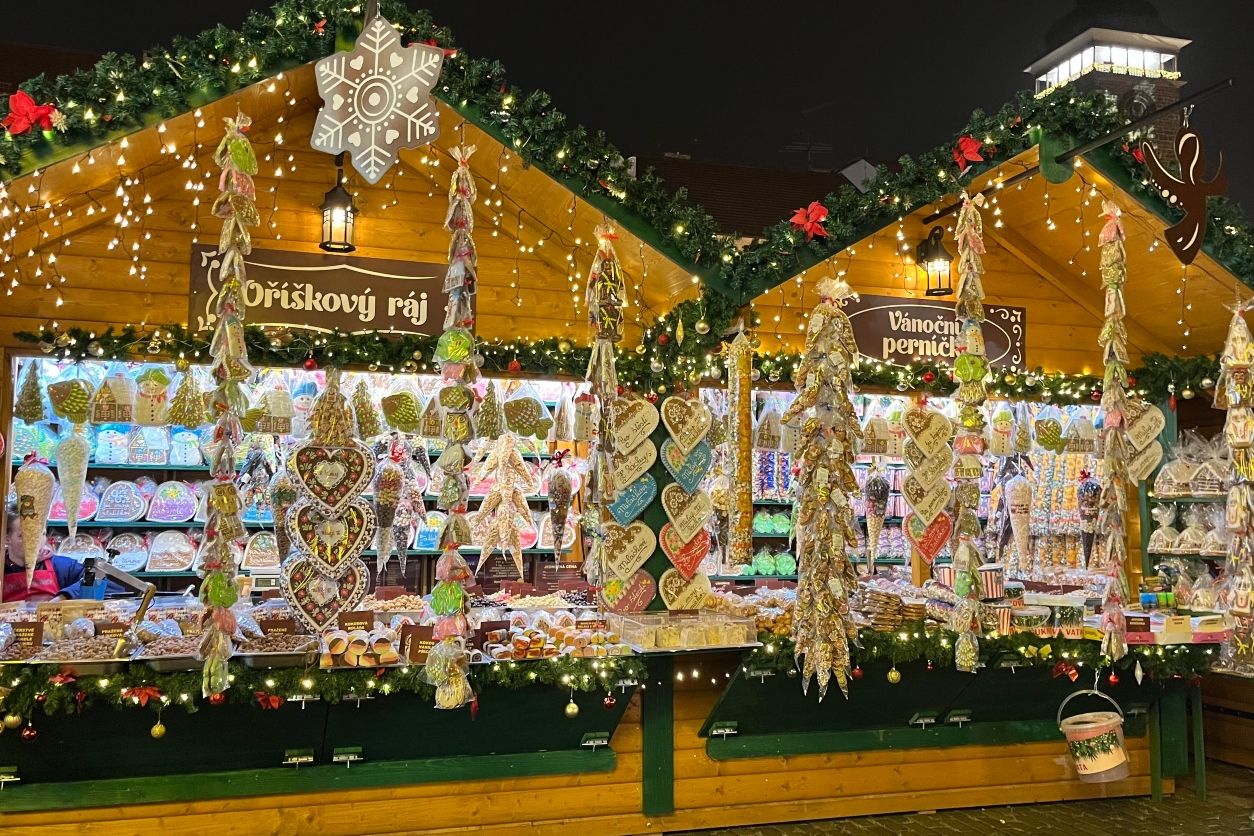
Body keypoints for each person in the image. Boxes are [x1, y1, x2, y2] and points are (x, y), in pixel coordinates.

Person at [3, 499, 99, 601]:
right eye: (28, 536)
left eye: (42, 534)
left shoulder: (62, 566)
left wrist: (65, 596)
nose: (37, 542)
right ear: (6, 539)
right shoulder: (2, 569)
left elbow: (102, 581)